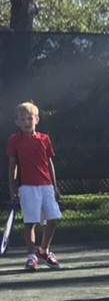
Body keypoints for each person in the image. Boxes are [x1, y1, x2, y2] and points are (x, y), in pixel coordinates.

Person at [7, 101, 63, 271]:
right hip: (27, 188)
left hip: (46, 186)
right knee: (30, 223)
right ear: (17, 122)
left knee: (52, 219)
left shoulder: (44, 139)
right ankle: (31, 256)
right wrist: (13, 189)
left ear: (36, 119)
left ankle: (43, 250)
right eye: (22, 119)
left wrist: (54, 186)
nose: (26, 122)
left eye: (29, 118)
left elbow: (49, 163)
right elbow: (12, 166)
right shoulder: (14, 140)